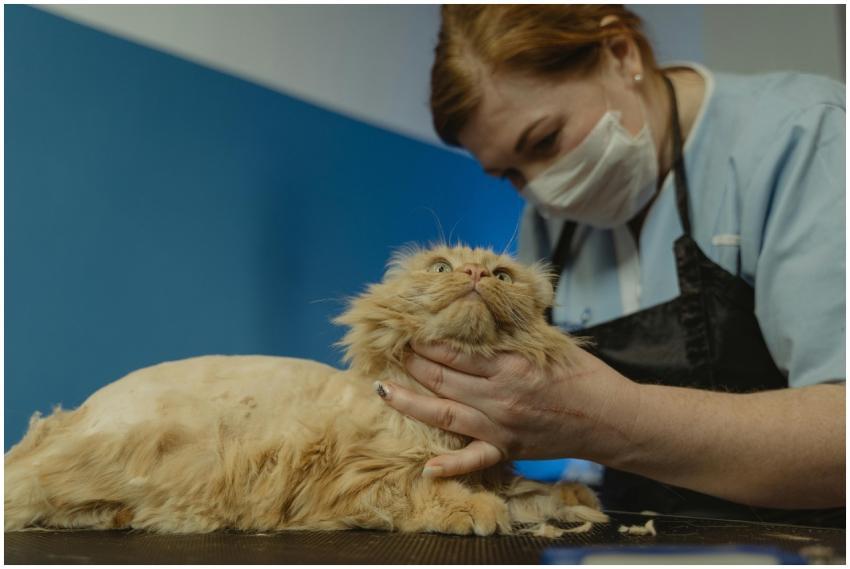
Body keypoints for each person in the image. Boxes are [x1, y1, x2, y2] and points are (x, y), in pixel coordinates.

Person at [374, 5, 845, 526]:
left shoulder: (806, 138)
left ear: (620, 54)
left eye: (545, 141)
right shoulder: (551, 224)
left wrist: (611, 420)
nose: (543, 191)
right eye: (510, 174)